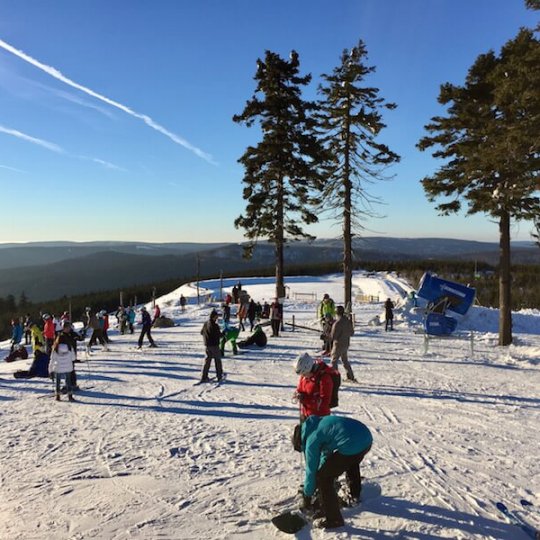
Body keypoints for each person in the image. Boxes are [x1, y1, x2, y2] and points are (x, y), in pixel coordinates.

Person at [293, 415, 373, 530]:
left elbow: (311, 470)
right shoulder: (318, 424)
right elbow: (326, 455)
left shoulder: (311, 440)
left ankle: (333, 519)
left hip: (352, 443)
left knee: (323, 479)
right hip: (366, 439)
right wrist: (324, 469)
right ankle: (354, 494)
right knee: (351, 460)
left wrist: (307, 493)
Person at [294, 352, 335, 421]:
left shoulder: (324, 378)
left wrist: (305, 399)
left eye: (304, 374)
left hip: (320, 418)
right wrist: (298, 394)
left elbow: (324, 401)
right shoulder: (304, 376)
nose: (303, 376)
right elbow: (300, 388)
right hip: (306, 414)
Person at [330, 306, 356, 382]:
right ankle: (350, 376)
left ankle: (335, 378)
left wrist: (325, 336)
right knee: (345, 360)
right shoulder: (348, 321)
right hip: (346, 344)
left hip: (338, 345)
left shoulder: (337, 323)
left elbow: (333, 336)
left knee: (334, 361)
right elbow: (352, 333)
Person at [49, 336, 76, 402]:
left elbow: (52, 360)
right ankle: (70, 396)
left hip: (58, 367)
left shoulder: (55, 348)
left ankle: (58, 395)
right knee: (68, 381)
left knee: (57, 381)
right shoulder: (69, 347)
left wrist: (50, 370)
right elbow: (73, 358)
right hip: (68, 367)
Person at [199, 309, 224, 382]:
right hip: (214, 345)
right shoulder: (215, 325)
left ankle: (204, 376)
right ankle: (219, 376)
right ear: (214, 316)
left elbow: (201, 332)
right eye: (216, 317)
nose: (217, 318)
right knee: (217, 361)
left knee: (207, 361)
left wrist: (206, 336)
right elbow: (218, 335)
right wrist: (224, 333)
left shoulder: (206, 323)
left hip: (207, 345)